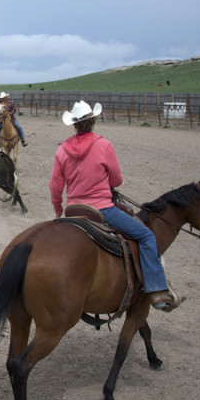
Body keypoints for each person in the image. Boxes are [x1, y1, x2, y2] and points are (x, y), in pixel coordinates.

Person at [49, 100, 181, 311]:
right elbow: (116, 180)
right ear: (93, 121)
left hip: (73, 210)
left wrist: (58, 210)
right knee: (147, 236)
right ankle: (157, 290)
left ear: (74, 125)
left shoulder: (62, 150)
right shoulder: (104, 146)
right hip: (102, 210)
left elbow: (55, 186)